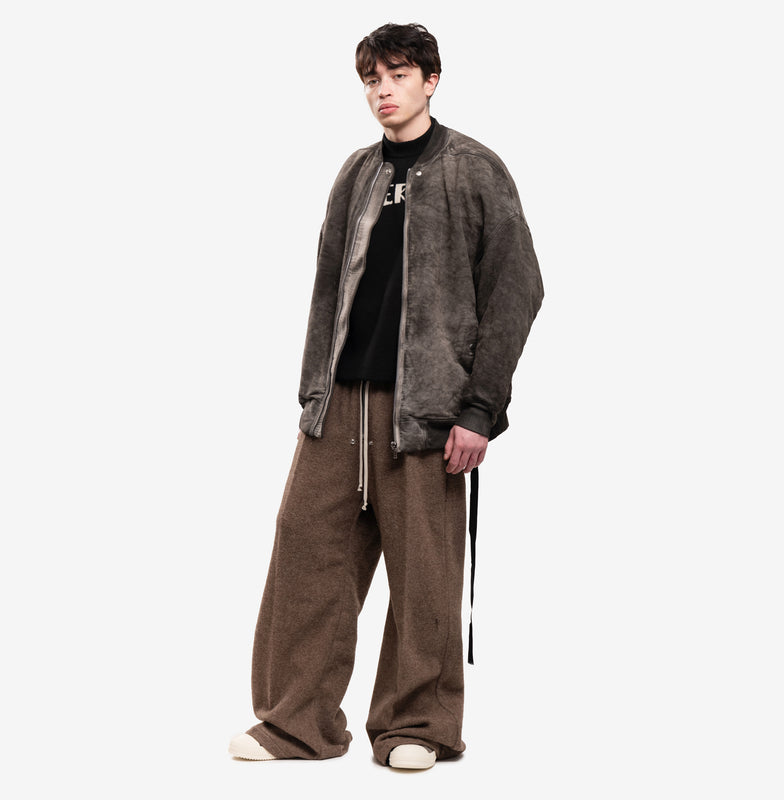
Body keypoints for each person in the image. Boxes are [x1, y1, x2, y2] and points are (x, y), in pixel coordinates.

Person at [229, 22, 544, 770]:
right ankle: (296, 722)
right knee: (306, 552)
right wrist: (314, 393)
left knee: (423, 573)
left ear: (431, 81)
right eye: (373, 79)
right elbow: (326, 290)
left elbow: (517, 289)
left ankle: (416, 726)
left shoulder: (474, 169)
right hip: (341, 401)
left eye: (399, 76)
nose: (383, 91)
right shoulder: (357, 173)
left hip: (428, 409)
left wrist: (479, 410)